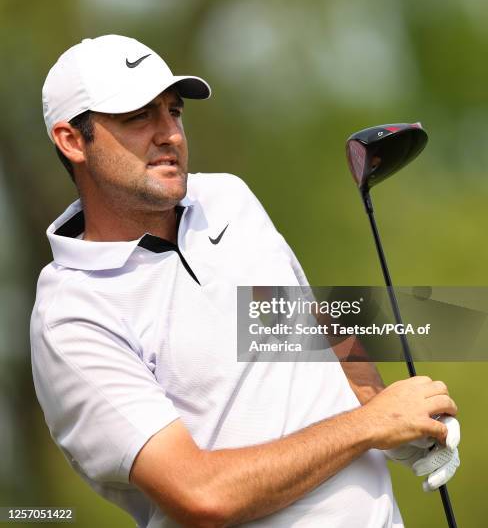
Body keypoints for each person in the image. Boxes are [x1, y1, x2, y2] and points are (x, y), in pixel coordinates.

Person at [31, 34, 460, 528]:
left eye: (174, 112)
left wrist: (381, 404)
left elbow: (311, 328)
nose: (169, 133)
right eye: (138, 117)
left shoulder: (228, 199)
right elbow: (200, 495)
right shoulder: (71, 316)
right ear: (71, 141)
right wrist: (369, 426)